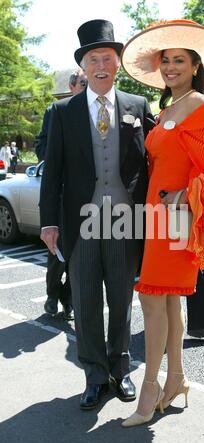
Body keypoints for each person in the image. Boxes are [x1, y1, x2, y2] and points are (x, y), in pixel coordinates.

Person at [120, 19, 204, 427]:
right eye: (166, 60)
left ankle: (150, 387)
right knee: (168, 300)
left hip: (175, 215)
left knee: (152, 299)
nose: (171, 66)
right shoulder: (171, 105)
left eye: (179, 61)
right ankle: (176, 379)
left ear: (194, 66)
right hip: (160, 217)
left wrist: (185, 194)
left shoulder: (198, 104)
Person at [39, 19, 154, 410]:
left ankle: (120, 371)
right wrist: (49, 222)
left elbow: (154, 159)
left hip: (125, 221)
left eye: (107, 57)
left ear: (118, 63)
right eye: (93, 59)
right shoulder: (62, 111)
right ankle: (93, 375)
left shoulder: (138, 106)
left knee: (122, 300)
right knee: (86, 303)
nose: (101, 64)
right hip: (81, 222)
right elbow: (52, 171)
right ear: (84, 67)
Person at [35, 69, 87, 321]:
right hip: (61, 196)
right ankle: (52, 294)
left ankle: (68, 299)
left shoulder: (96, 111)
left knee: (80, 256)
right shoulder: (56, 111)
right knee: (58, 252)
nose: (87, 87)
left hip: (88, 200)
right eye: (83, 83)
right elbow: (42, 147)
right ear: (72, 86)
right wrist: (59, 157)